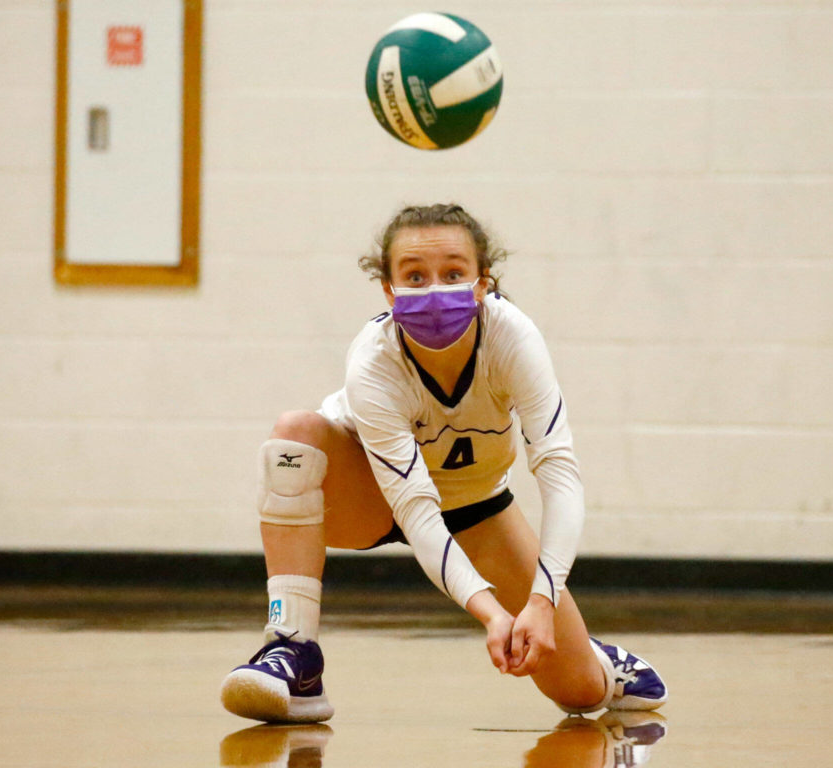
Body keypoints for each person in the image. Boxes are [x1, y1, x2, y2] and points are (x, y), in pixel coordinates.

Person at [220, 203, 667, 723]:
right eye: (414, 275)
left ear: (483, 284)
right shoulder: (373, 359)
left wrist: (540, 604)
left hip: (476, 505)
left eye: (453, 273)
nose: (434, 291)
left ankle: (595, 659)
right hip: (372, 496)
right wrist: (491, 614)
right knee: (294, 437)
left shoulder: (511, 337)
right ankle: (294, 651)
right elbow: (415, 510)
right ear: (388, 292)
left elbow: (560, 476)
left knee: (581, 694)